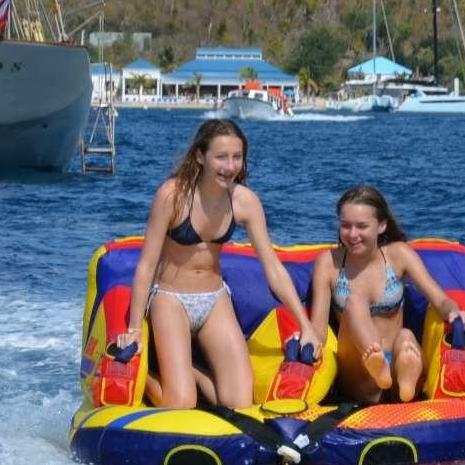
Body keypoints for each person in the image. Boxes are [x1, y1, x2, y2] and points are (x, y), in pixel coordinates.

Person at [114, 118, 320, 410]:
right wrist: (135, 328)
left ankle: (192, 373)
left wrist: (305, 325)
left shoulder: (245, 202)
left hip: (214, 300)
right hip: (170, 299)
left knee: (240, 403)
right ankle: (147, 372)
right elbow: (146, 265)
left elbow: (273, 269)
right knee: (180, 403)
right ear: (200, 156)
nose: (230, 166)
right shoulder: (172, 196)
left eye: (237, 157)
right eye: (221, 157)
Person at [308, 185, 465, 405]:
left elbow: (440, 300)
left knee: (406, 337)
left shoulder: (398, 255)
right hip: (358, 371)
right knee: (354, 302)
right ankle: (380, 367)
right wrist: (304, 338)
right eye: (345, 225)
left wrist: (453, 312)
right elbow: (319, 332)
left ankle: (405, 387)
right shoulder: (328, 263)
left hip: (396, 367)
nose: (352, 234)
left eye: (362, 226)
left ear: (381, 225)